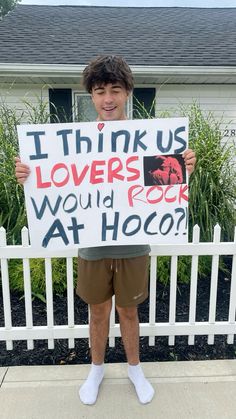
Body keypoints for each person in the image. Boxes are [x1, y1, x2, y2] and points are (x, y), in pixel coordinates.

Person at [15, 55, 196, 405]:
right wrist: (29, 175)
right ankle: (96, 367)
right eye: (100, 92)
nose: (108, 98)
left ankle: (134, 367)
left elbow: (160, 188)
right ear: (91, 96)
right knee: (98, 309)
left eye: (115, 90)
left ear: (127, 92)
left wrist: (184, 165)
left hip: (133, 243)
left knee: (129, 310)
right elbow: (55, 183)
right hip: (93, 243)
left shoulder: (149, 140)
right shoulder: (69, 144)